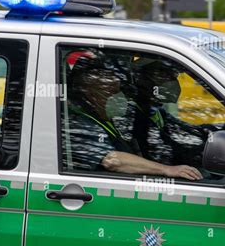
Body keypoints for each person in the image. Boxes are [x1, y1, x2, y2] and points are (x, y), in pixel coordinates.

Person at [66, 52, 204, 181]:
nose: (119, 96)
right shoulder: (76, 123)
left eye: (119, 89)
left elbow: (179, 131)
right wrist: (167, 170)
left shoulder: (110, 117)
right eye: (111, 91)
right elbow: (111, 160)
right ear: (90, 93)